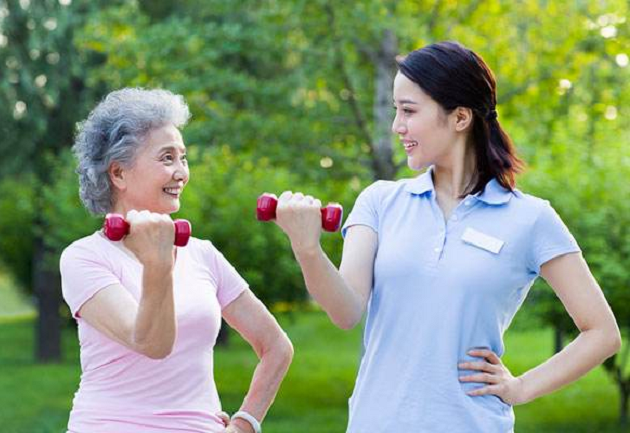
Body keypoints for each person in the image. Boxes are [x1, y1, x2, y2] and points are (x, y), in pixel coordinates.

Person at [273, 41, 621, 432]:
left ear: (459, 117)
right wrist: (307, 249)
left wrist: (521, 387)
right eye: (395, 110)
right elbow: (346, 311)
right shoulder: (380, 201)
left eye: (409, 111)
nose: (397, 126)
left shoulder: (530, 219)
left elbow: (602, 333)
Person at [60, 88, 293, 433]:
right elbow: (152, 344)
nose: (181, 172)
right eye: (167, 158)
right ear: (118, 173)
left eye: (183, 158)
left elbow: (276, 347)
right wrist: (158, 262)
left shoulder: (203, 255)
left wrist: (245, 423)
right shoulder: (84, 258)